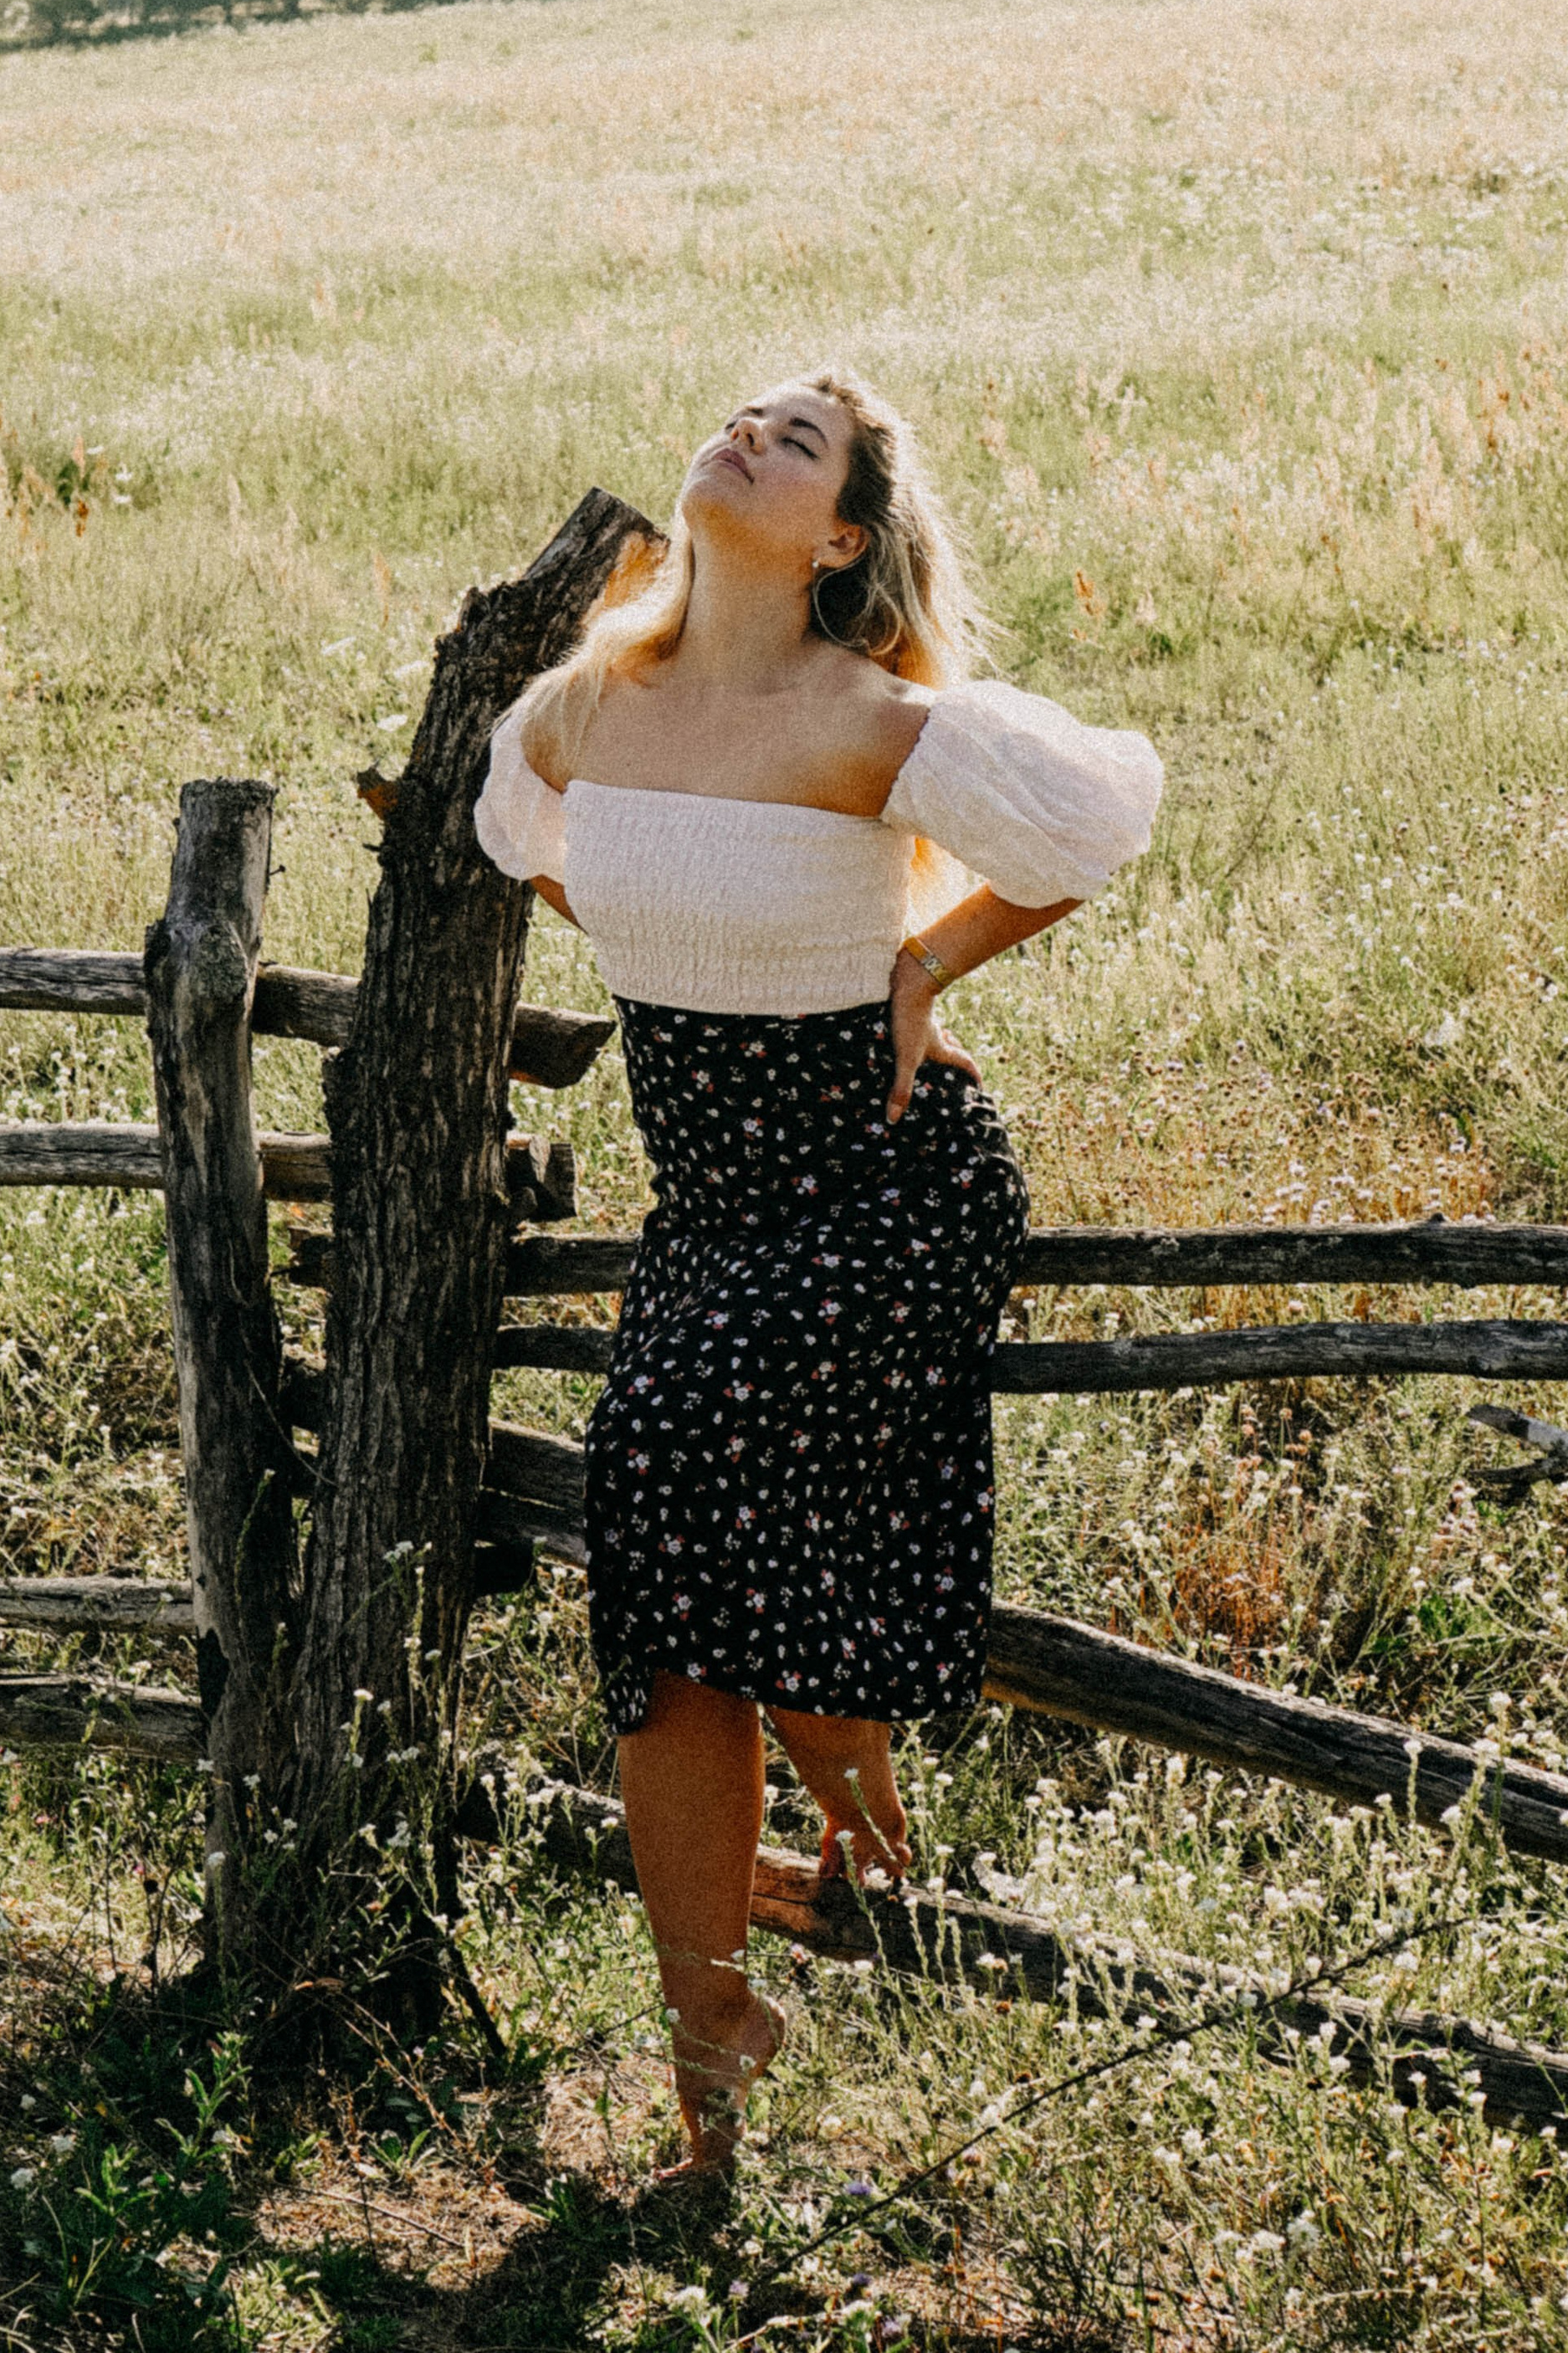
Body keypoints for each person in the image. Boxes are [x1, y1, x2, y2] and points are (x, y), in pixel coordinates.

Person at [474, 370, 1161, 2173]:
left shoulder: (868, 714)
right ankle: (710, 2028)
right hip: (711, 1195)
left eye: (799, 444)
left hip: (884, 1177)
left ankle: (848, 1778)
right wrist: (675, 934)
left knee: (669, 1481)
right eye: (743, 418)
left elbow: (1084, 835)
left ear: (840, 534)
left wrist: (922, 967)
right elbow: (530, 847)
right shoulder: (581, 702)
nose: (745, 437)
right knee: (669, 1611)